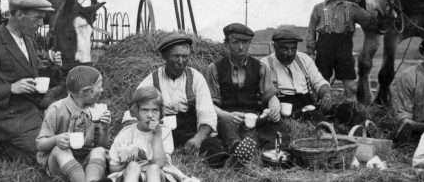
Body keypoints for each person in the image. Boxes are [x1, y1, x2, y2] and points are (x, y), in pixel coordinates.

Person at [0, 0, 62, 164]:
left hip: (36, 117)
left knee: (74, 144)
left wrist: (54, 67)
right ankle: (7, 149)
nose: (41, 23)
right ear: (19, 15)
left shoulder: (29, 42)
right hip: (12, 125)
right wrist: (10, 88)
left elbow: (35, 79)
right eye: (38, 18)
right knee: (54, 156)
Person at [121, 32, 227, 168]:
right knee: (144, 151)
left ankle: (226, 161)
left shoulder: (196, 78)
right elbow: (133, 112)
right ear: (165, 56)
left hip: (189, 131)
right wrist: (134, 133)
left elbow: (207, 113)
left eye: (185, 56)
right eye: (176, 56)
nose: (181, 61)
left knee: (213, 149)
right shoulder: (151, 80)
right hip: (161, 130)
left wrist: (198, 139)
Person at [204, 23, 288, 164]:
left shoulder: (261, 67)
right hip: (227, 115)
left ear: (250, 43)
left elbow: (270, 94)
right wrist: (226, 115)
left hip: (253, 115)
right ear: (226, 44)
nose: (241, 47)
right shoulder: (214, 68)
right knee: (223, 124)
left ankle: (271, 153)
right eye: (235, 42)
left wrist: (275, 107)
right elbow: (209, 104)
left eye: (245, 42)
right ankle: (238, 149)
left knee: (275, 122)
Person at [305, 0, 378, 102]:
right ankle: (321, 112)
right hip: (324, 47)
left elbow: (370, 20)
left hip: (344, 48)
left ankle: (350, 114)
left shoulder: (352, 8)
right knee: (321, 83)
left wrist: (379, 9)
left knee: (350, 87)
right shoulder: (318, 8)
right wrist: (311, 51)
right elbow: (311, 31)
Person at [36, 66, 109, 182]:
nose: (102, 90)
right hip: (60, 164)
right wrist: (56, 139)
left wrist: (104, 129)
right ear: (85, 92)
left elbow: (102, 145)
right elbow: (40, 144)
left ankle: (91, 180)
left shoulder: (94, 110)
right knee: (60, 150)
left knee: (99, 151)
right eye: (99, 87)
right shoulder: (56, 109)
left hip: (84, 162)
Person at [109, 87, 198, 182]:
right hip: (130, 175)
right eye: (144, 110)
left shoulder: (164, 131)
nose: (150, 115)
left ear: (161, 112)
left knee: (153, 168)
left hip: (157, 175)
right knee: (133, 166)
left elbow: (159, 163)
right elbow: (113, 167)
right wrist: (125, 165)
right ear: (136, 112)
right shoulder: (126, 133)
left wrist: (157, 135)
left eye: (155, 110)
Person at [261, 29, 333, 117]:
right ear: (274, 47)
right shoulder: (265, 64)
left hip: (307, 104)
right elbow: (264, 94)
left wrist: (326, 95)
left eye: (293, 49)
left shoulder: (304, 59)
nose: (290, 53)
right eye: (285, 49)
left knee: (345, 110)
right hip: (282, 107)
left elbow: (319, 82)